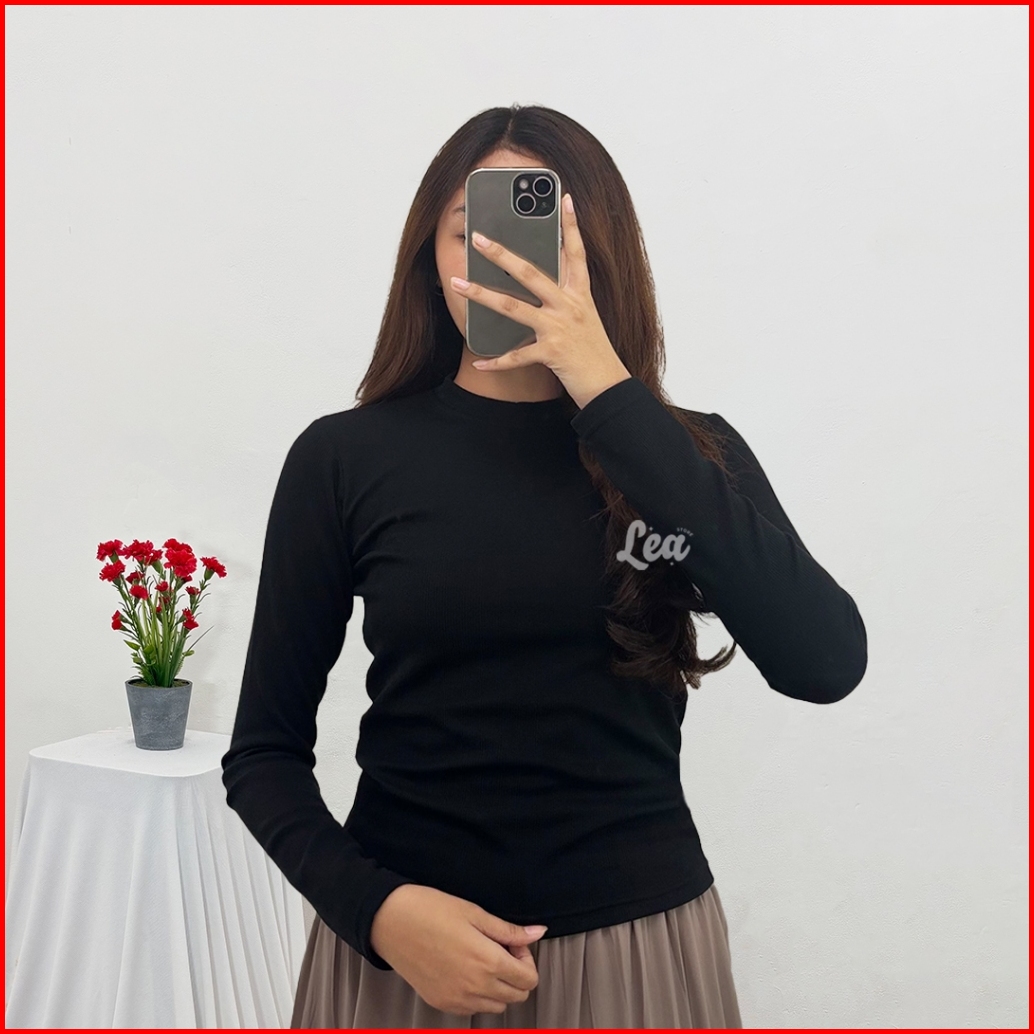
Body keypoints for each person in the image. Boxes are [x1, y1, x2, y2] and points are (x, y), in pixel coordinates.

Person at [220, 103, 868, 1029]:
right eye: (472, 233)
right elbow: (262, 755)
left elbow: (824, 663)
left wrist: (605, 388)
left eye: (544, 238)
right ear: (430, 258)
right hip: (406, 958)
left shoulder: (687, 454)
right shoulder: (343, 459)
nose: (508, 264)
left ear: (600, 259)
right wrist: (378, 913)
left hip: (639, 953)